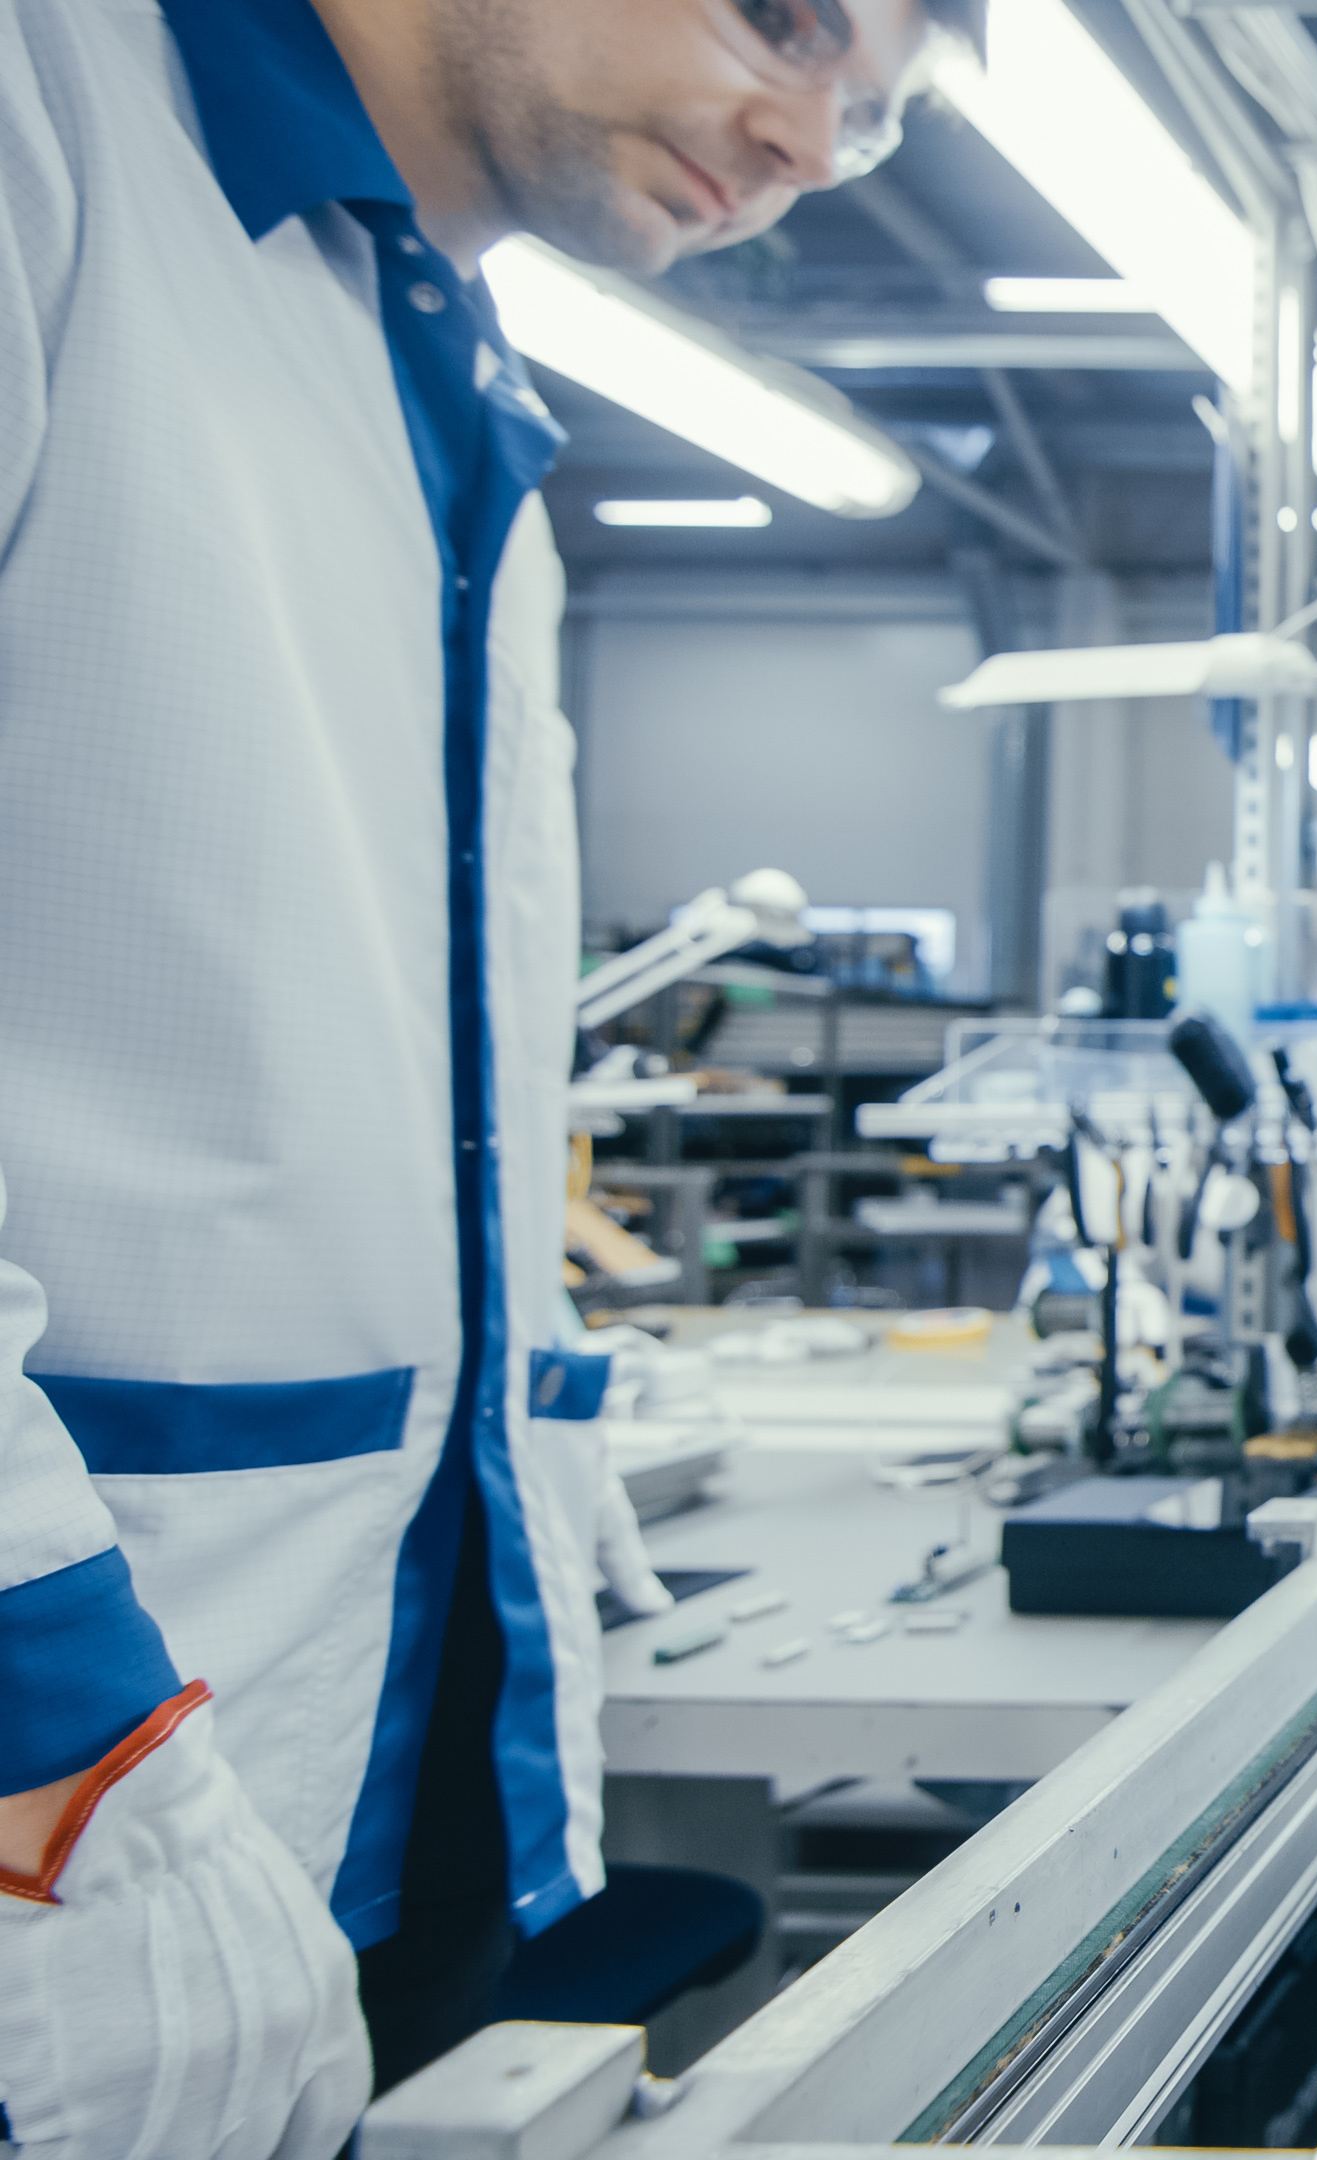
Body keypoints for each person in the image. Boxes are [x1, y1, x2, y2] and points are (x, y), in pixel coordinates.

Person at [0, 0, 964, 2152]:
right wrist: (40, 1706)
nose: (811, 134)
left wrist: (521, 1452)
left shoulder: (444, 379)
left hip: (353, 1764)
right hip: (64, 1750)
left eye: (882, 113)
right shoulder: (51, 115)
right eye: (786, 18)